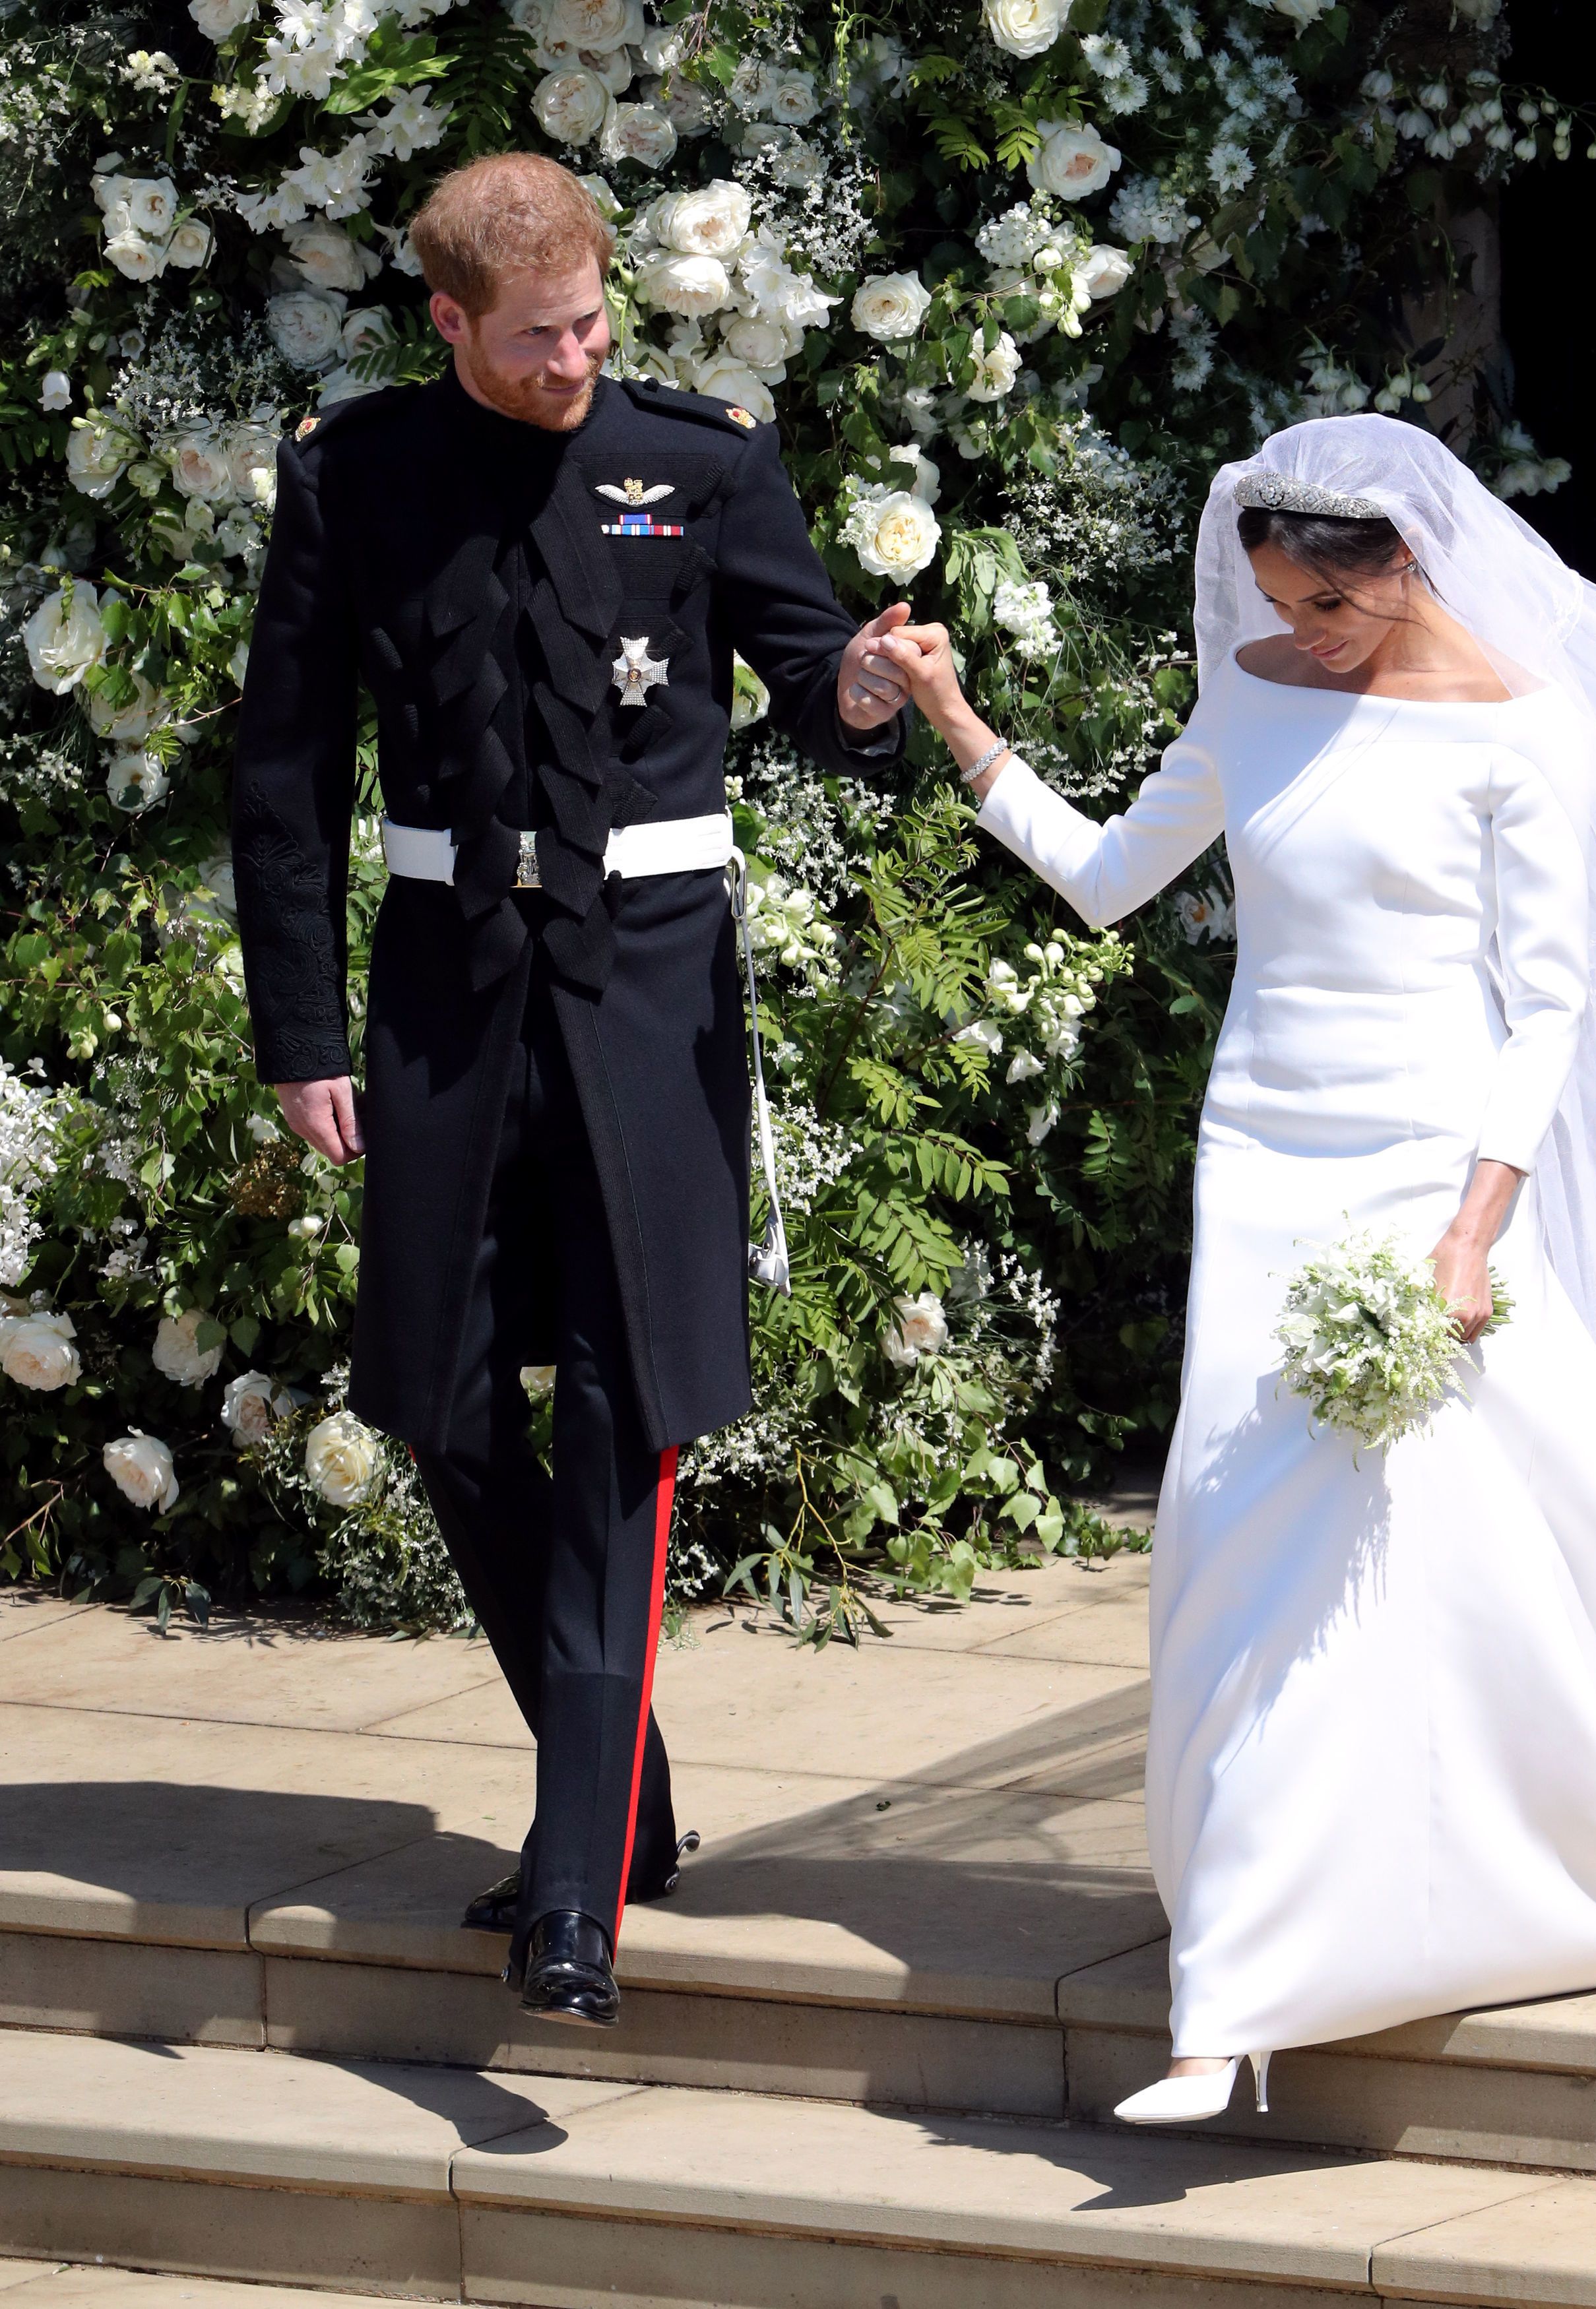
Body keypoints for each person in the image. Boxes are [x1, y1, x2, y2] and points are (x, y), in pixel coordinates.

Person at [876, 412, 1596, 2122]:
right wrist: (957, 718)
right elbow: (1115, 879)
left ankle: (1243, 1995)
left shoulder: (1522, 727)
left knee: (1438, 1537)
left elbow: (1545, 1001)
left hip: (1433, 1171)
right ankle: (1256, 1961)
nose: (1297, 632)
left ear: (1409, 565)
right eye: (1272, 599)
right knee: (1244, 1529)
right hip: (1262, 1155)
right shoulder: (1255, 685)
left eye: (1329, 607)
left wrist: (1475, 1228)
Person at [232, 154, 911, 2027]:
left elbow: (810, 664)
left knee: (625, 1406)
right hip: (448, 1002)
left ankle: (572, 1892)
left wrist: (861, 688)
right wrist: (299, 1033)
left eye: (599, 322)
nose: (580, 357)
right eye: (540, 338)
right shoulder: (357, 470)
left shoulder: (698, 461)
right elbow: (284, 762)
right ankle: (626, 1794)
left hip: (646, 996)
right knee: (439, 1397)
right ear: (448, 323)